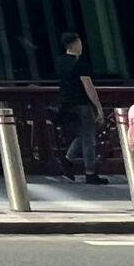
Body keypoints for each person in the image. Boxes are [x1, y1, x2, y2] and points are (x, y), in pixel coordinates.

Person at [54, 31, 107, 183]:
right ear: (76, 43)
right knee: (89, 137)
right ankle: (90, 172)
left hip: (66, 103)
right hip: (81, 103)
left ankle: (67, 159)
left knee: (83, 134)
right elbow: (88, 86)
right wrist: (98, 107)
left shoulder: (60, 62)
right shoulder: (80, 63)